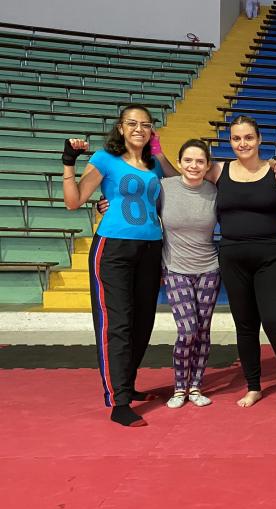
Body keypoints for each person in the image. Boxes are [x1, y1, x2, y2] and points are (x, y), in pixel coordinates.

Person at [61, 104, 164, 427]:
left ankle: (128, 384)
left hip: (151, 248)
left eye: (145, 124)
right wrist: (68, 163)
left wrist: (159, 151)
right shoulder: (105, 158)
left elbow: (178, 183)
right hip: (114, 249)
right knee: (116, 324)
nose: (138, 129)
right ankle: (119, 401)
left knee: (143, 323)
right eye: (132, 123)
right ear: (120, 128)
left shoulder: (154, 165)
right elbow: (74, 201)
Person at [206, 115, 276, 416]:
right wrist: (155, 148)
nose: (243, 144)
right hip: (233, 257)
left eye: (248, 138)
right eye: (236, 138)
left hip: (272, 257)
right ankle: (253, 386)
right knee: (245, 326)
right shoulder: (217, 170)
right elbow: (180, 176)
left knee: (275, 322)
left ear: (259, 139)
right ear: (230, 141)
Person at [159, 139, 221, 409]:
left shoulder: (215, 192)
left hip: (209, 270)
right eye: (188, 160)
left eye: (199, 161)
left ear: (207, 166)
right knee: (187, 330)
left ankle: (195, 386)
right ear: (179, 162)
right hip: (175, 269)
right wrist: (105, 205)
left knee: (203, 331)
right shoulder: (164, 187)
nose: (193, 165)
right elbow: (136, 206)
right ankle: (179, 388)